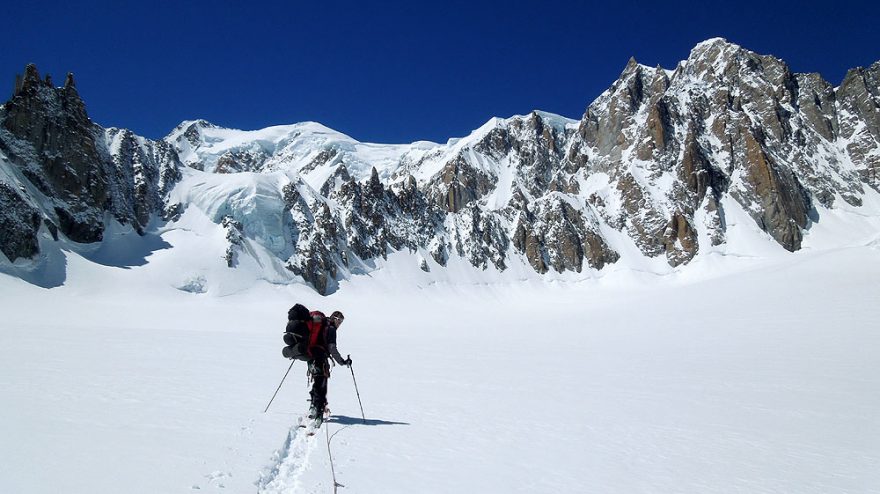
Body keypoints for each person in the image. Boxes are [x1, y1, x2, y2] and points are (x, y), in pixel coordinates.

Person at [308, 310, 351, 421]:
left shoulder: (322, 325)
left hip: (310, 356)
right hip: (320, 357)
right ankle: (318, 412)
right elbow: (332, 348)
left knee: (317, 381)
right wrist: (342, 361)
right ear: (335, 319)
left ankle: (313, 406)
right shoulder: (331, 329)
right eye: (340, 321)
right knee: (322, 384)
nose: (340, 324)